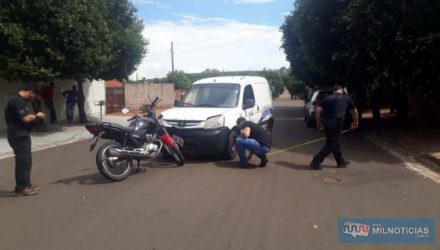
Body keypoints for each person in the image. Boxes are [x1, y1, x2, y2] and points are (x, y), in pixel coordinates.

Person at [4, 83, 45, 196]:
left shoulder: (16, 99)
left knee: (26, 161)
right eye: (34, 96)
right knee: (23, 162)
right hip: (18, 135)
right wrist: (38, 116)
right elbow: (26, 118)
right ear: (30, 92)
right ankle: (21, 188)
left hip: (20, 134)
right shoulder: (17, 100)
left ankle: (27, 184)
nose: (33, 99)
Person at [310, 84, 359, 170]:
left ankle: (340, 161)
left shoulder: (327, 98)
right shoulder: (347, 98)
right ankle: (315, 161)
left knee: (333, 141)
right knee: (330, 144)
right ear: (341, 90)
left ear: (334, 91)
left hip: (326, 122)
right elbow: (354, 111)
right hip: (336, 123)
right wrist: (355, 121)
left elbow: (318, 110)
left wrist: (318, 122)